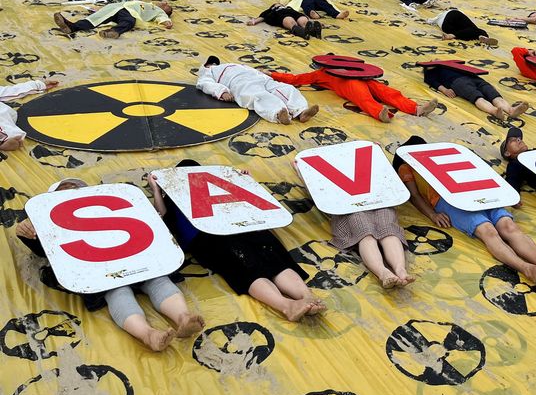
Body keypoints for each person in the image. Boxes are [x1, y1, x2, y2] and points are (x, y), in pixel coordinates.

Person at [15, 179, 204, 352]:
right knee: (117, 292)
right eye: (63, 189)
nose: (71, 190)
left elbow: (151, 221)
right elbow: (43, 249)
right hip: (100, 268)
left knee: (159, 280)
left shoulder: (114, 206)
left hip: (137, 256)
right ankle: (148, 335)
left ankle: (183, 317)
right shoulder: (51, 221)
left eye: (74, 187)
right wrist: (26, 231)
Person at [148, 162, 327, 320]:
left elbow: (249, 202)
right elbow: (162, 216)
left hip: (239, 226)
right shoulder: (173, 203)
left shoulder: (218, 188)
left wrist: (245, 182)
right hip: (208, 237)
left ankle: (307, 297)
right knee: (247, 267)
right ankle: (286, 306)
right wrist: (156, 190)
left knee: (274, 258)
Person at [394, 136, 536, 284]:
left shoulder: (440, 157)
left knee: (508, 226)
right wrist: (433, 214)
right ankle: (528, 269)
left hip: (475, 190)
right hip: (448, 200)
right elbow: (415, 196)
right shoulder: (406, 167)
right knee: (488, 230)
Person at [268, 67, 437, 123]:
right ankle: (380, 113)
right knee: (363, 98)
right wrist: (274, 74)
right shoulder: (321, 73)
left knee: (388, 92)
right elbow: (296, 78)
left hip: (361, 78)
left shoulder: (353, 69)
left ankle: (417, 109)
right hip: (349, 83)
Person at [196, 56, 319, 124]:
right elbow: (206, 84)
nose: (213, 64)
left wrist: (264, 76)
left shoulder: (233, 65)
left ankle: (301, 111)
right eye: (210, 63)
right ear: (205, 66)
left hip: (258, 78)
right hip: (239, 83)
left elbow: (251, 70)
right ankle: (278, 114)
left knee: (286, 89)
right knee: (258, 95)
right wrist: (222, 91)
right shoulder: (208, 73)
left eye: (214, 62)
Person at [421, 62, 528, 120]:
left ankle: (510, 110)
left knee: (493, 95)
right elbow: (432, 81)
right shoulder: (430, 72)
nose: (433, 60)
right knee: (477, 97)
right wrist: (444, 90)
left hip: (474, 78)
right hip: (458, 82)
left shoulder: (449, 64)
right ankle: (494, 111)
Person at [53, 1, 174, 39]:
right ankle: (72, 27)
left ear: (167, 10)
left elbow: (162, 18)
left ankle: (114, 31)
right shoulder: (149, 2)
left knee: (129, 21)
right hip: (116, 7)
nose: (165, 2)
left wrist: (166, 22)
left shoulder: (159, 11)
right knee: (96, 19)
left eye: (167, 5)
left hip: (129, 11)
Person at [0, 78, 58, 151]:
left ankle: (9, 139)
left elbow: (12, 91)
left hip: (5, 116)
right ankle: (7, 140)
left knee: (3, 118)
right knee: (6, 126)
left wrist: (40, 85)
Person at [426, 9, 498, 46]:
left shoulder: (439, 16)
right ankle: (481, 36)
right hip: (453, 16)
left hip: (445, 27)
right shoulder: (453, 12)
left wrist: (428, 21)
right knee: (475, 29)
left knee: (468, 32)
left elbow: (430, 20)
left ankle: (453, 35)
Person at [247, 3, 318, 39]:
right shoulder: (271, 10)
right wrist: (254, 21)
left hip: (292, 13)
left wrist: (310, 20)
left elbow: (298, 14)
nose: (279, 3)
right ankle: (301, 31)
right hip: (281, 15)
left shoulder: (288, 7)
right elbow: (262, 17)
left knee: (302, 19)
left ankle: (311, 28)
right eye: (277, 3)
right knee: (289, 20)